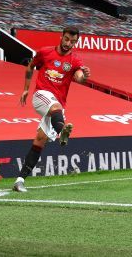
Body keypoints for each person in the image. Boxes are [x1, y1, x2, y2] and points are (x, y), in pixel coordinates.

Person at [13, 26, 90, 193]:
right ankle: (62, 131)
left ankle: (19, 181)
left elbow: (78, 77)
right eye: (67, 39)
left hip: (57, 107)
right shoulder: (45, 52)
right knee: (55, 108)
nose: (69, 44)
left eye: (73, 42)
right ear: (61, 37)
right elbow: (30, 66)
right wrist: (26, 89)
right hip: (41, 96)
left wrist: (83, 76)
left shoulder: (75, 61)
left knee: (40, 140)